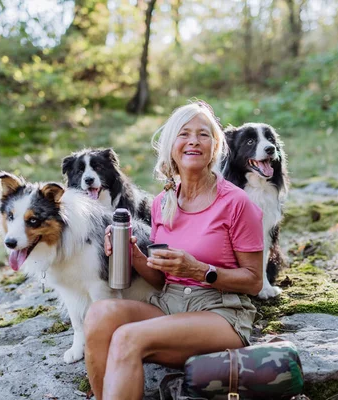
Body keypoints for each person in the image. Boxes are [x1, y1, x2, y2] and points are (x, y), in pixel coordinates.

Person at [83, 100, 264, 400]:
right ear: (171, 146)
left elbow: (254, 281)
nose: (193, 140)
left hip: (221, 312)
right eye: (184, 133)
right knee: (99, 314)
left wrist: (199, 271)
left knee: (128, 338)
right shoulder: (162, 202)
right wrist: (132, 254)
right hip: (168, 304)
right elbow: (160, 280)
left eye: (203, 134)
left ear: (215, 147)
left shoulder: (237, 203)